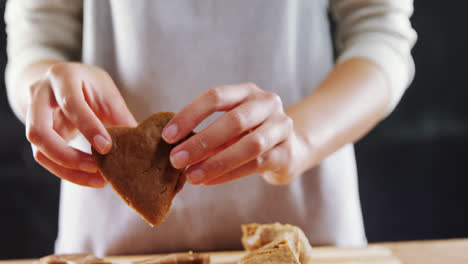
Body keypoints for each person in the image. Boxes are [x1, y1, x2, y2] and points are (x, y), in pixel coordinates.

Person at [5, 0, 416, 257]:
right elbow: (35, 41)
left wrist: (301, 137)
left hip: (309, 228)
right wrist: (49, 91)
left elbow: (381, 32)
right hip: (110, 240)